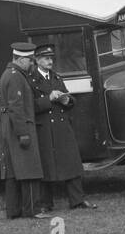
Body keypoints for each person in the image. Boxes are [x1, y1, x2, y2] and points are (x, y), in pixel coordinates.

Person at [28, 45, 95, 211]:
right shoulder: (31, 79)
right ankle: (45, 204)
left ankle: (77, 200)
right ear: (37, 60)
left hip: (61, 127)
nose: (50, 61)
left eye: (51, 58)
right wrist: (48, 99)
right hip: (43, 129)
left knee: (71, 163)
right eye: (46, 58)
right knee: (46, 166)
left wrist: (67, 101)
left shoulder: (56, 77)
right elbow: (29, 106)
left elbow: (69, 99)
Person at [0, 42, 49, 220]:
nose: (32, 64)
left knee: (12, 172)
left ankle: (13, 210)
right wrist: (23, 133)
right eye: (29, 61)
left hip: (9, 127)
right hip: (19, 127)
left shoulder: (9, 74)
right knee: (30, 169)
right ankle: (32, 209)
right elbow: (16, 108)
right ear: (20, 59)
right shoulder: (16, 77)